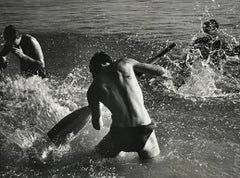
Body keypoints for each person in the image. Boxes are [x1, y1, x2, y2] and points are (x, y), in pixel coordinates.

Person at [87, 51, 169, 160]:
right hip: (144, 130)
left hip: (120, 134)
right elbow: (161, 71)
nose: (91, 74)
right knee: (153, 168)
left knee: (94, 158)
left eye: (91, 70)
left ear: (97, 66)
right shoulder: (125, 63)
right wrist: (136, 69)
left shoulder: (92, 90)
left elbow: (97, 126)